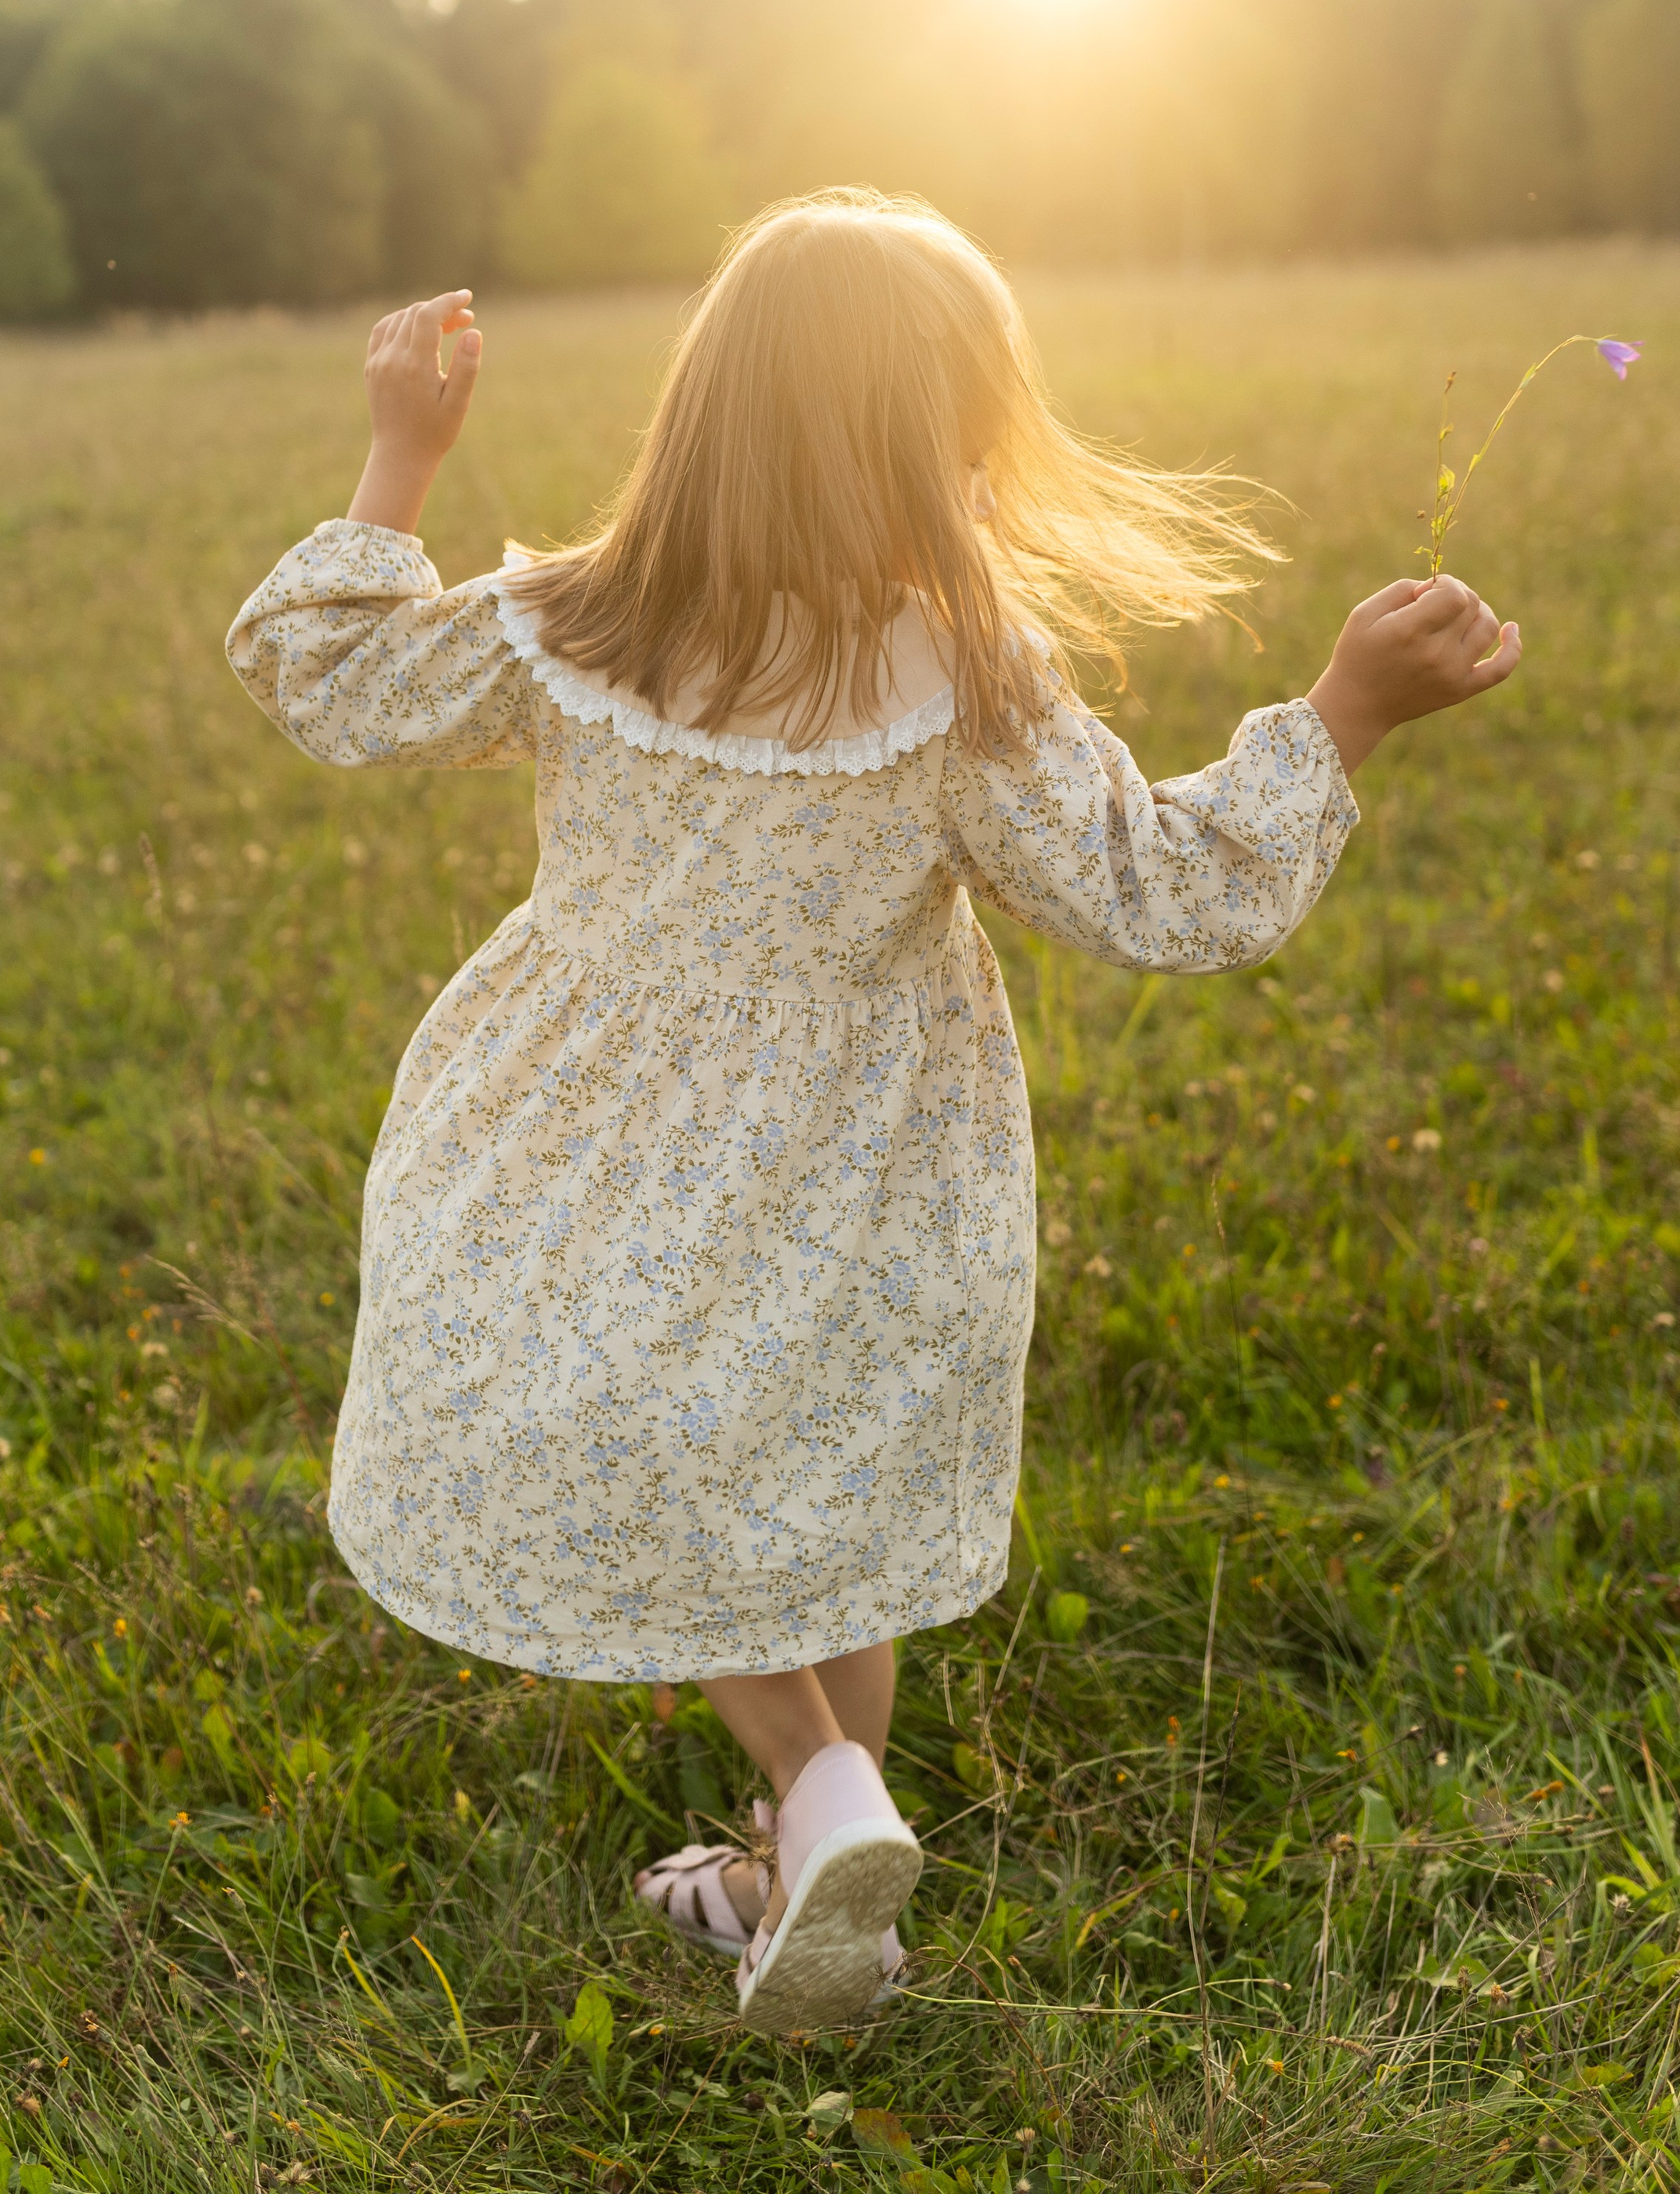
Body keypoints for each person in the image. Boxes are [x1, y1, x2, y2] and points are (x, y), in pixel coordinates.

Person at [224, 189, 1520, 2036]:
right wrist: (1340, 713)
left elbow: (328, 676)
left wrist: (398, 451)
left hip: (566, 1134)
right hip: (866, 1160)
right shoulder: (964, 682)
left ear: (707, 413)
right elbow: (1159, 892)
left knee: (642, 1446)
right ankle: (813, 1866)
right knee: (814, 1474)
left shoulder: (568, 622)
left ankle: (814, 1806)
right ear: (946, 444)